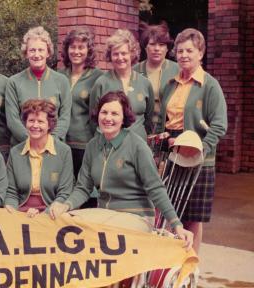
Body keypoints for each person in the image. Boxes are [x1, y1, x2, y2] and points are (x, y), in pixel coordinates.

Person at [50, 91, 193, 251]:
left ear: (124, 118)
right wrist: (65, 206)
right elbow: (83, 188)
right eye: (104, 112)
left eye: (115, 113)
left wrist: (176, 224)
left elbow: (156, 188)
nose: (108, 118)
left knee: (99, 234)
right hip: (105, 213)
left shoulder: (137, 146)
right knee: (64, 223)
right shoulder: (92, 146)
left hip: (136, 216)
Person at [156, 28, 227, 253]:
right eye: (180, 50)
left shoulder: (210, 85)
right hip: (171, 155)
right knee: (170, 214)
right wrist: (164, 139)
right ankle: (169, 267)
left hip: (198, 159)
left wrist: (198, 149)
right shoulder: (170, 84)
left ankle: (190, 266)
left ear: (201, 53)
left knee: (193, 218)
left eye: (190, 50)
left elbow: (219, 125)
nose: (184, 55)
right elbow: (165, 121)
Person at [5, 99, 74, 218]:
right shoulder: (15, 152)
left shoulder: (64, 151)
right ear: (25, 123)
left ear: (49, 125)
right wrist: (13, 211)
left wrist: (44, 213)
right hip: (21, 211)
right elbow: (11, 193)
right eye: (31, 120)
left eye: (41, 121)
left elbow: (65, 192)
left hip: (51, 212)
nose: (35, 125)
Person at [5, 26, 71, 145]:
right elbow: (12, 120)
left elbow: (65, 117)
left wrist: (50, 142)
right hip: (22, 147)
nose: (36, 54)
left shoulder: (62, 81)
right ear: (26, 53)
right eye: (32, 50)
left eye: (41, 50)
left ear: (48, 52)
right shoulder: (14, 82)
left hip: (54, 147)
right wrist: (32, 142)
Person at [90, 29, 154, 140]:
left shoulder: (145, 83)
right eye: (115, 54)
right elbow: (93, 121)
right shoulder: (101, 83)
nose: (120, 58)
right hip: (109, 145)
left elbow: (149, 119)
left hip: (138, 144)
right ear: (110, 56)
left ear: (132, 54)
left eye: (124, 53)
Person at [58, 27, 103, 180]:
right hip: (60, 144)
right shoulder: (58, 75)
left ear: (88, 50)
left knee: (84, 191)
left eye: (81, 47)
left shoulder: (98, 77)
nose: (76, 51)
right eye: (72, 47)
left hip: (85, 145)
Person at [133, 22, 179, 128]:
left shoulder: (177, 70)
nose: (157, 49)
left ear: (167, 48)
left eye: (161, 45)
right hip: (141, 129)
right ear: (145, 47)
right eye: (152, 44)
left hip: (169, 130)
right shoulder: (134, 71)